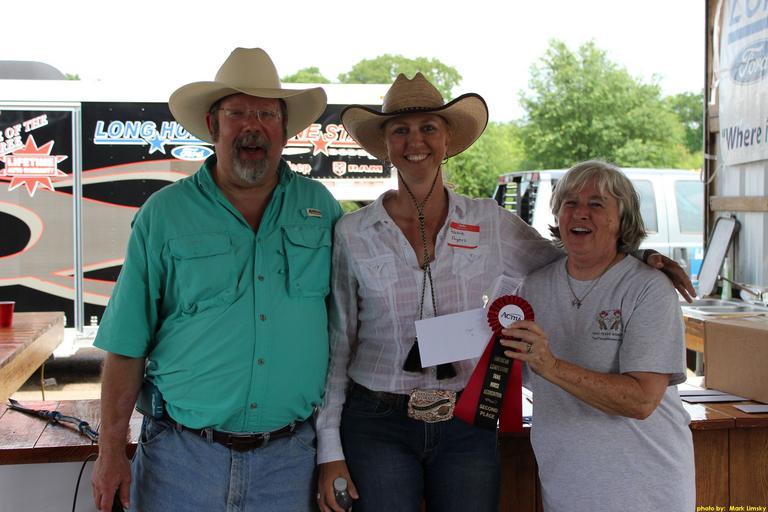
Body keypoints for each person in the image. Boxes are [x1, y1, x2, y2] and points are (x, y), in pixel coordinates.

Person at [314, 74, 694, 512]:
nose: (414, 141)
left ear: (447, 140)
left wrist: (639, 256)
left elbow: (568, 253)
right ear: (384, 144)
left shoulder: (489, 221)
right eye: (400, 130)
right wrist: (329, 449)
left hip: (465, 421)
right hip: (378, 422)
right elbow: (338, 346)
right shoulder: (353, 233)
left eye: (428, 128)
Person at [90, 48, 342, 512]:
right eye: (237, 113)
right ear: (212, 125)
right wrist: (110, 453)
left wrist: (333, 450)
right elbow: (126, 344)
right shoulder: (164, 214)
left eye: (267, 114)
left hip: (289, 462)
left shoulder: (321, 207)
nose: (253, 126)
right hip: (181, 462)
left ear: (284, 129)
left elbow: (342, 331)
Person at [501, 160, 695, 512]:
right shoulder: (533, 286)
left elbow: (641, 401)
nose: (580, 213)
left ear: (622, 220)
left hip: (645, 492)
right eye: (570, 203)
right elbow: (517, 373)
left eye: (596, 204)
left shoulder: (648, 287)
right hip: (566, 491)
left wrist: (551, 365)